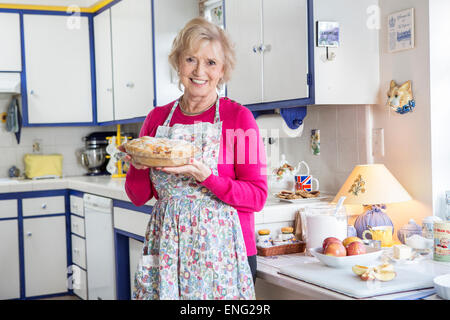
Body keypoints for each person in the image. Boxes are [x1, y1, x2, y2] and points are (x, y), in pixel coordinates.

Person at [121, 17, 268, 300]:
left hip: (224, 253)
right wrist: (139, 166)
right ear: (178, 63)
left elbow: (257, 196)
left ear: (223, 69)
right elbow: (138, 196)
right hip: (166, 250)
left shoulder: (239, 118)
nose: (200, 71)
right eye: (191, 59)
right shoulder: (156, 119)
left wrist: (206, 177)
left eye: (211, 62)